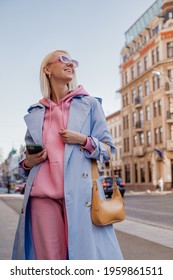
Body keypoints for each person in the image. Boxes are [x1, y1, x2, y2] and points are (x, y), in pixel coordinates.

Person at [12, 49, 123, 260]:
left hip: (81, 196)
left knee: (83, 260)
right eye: (63, 59)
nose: (70, 64)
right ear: (47, 69)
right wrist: (29, 161)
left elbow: (108, 150)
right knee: (50, 263)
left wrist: (83, 140)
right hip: (43, 198)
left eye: (73, 61)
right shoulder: (36, 113)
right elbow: (27, 163)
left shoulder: (89, 104)